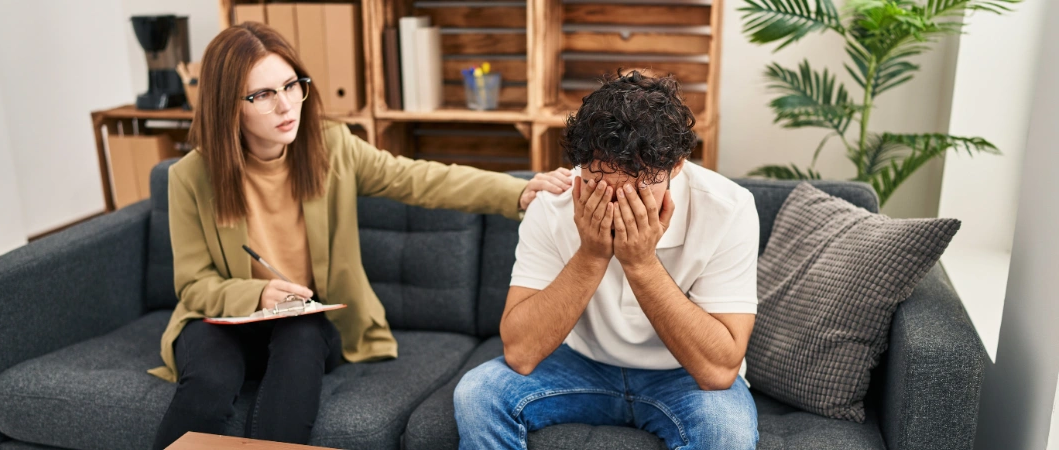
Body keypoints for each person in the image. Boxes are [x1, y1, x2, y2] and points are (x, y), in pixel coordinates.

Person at [147, 22, 572, 449]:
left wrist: (515, 190)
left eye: (291, 85)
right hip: (224, 321)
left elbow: (418, 178)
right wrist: (255, 297)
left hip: (301, 325)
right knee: (209, 380)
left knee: (303, 331)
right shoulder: (190, 177)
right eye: (263, 95)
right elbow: (193, 283)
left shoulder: (331, 147)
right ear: (228, 106)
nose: (286, 106)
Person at [454, 70, 761, 450]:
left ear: (676, 166)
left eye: (638, 188)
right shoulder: (553, 204)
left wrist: (641, 263)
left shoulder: (728, 208)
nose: (618, 204)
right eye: (601, 183)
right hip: (581, 364)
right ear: (581, 164)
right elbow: (519, 353)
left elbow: (719, 370)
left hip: (681, 376)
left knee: (726, 432)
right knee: (477, 393)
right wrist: (591, 253)